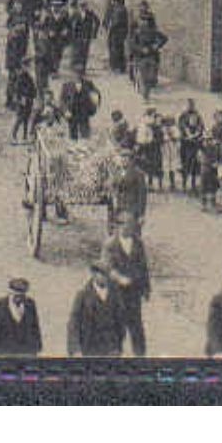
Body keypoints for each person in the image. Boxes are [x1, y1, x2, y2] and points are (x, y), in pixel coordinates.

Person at [100, 215, 151, 356]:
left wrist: (146, 289)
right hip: (116, 294)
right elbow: (107, 267)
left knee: (137, 328)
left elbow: (143, 267)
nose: (126, 228)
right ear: (117, 226)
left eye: (129, 225)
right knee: (117, 328)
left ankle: (141, 358)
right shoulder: (110, 245)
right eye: (122, 225)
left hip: (134, 293)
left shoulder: (138, 244)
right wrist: (119, 278)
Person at [66, 264, 126, 357]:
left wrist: (118, 346)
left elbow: (121, 321)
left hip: (111, 349)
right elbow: (74, 323)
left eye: (107, 274)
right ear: (93, 274)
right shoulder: (83, 295)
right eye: (101, 274)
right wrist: (75, 349)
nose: (105, 277)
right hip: (89, 348)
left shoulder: (115, 295)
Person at [0, 277, 43, 357]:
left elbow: (35, 328)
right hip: (3, 354)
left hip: (25, 353)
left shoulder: (30, 305)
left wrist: (36, 348)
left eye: (22, 296)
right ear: (10, 293)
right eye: (16, 296)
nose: (19, 299)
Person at [129, 3, 167, 102]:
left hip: (152, 57)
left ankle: (146, 93)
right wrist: (140, 49)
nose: (144, 23)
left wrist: (156, 45)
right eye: (143, 21)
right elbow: (132, 44)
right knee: (143, 77)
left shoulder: (153, 31)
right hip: (141, 58)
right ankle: (145, 96)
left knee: (150, 78)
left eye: (147, 21)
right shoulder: (137, 32)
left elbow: (164, 38)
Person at [109, 148, 148, 233]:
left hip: (132, 209)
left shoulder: (138, 174)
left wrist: (141, 214)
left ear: (131, 160)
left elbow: (142, 196)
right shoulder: (117, 173)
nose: (124, 161)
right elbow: (114, 189)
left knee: (132, 235)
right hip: (119, 208)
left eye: (126, 159)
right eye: (122, 158)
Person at [60, 70, 101, 142]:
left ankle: (86, 146)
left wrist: (95, 102)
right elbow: (62, 100)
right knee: (73, 134)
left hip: (84, 112)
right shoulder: (66, 86)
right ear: (71, 76)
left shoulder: (88, 84)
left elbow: (96, 93)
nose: (77, 77)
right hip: (72, 112)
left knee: (85, 134)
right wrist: (65, 110)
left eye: (80, 75)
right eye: (75, 75)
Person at [177, 99, 204, 193]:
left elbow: (201, 127)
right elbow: (181, 127)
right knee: (185, 164)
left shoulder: (198, 116)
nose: (190, 106)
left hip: (195, 144)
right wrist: (187, 135)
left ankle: (193, 185)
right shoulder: (182, 116)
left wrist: (196, 135)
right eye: (188, 105)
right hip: (185, 144)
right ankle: (184, 184)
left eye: (191, 105)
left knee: (195, 165)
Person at [102, 0, 129, 79]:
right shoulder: (119, 8)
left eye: (113, 0)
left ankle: (116, 68)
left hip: (117, 33)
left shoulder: (119, 9)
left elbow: (115, 22)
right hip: (119, 33)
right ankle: (119, 67)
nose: (112, 2)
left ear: (116, 1)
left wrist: (109, 28)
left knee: (115, 50)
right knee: (117, 49)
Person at [7, 67, 37, 144]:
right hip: (22, 101)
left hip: (28, 100)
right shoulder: (21, 77)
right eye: (28, 65)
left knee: (26, 119)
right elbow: (17, 89)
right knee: (19, 118)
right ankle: (13, 136)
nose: (28, 67)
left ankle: (25, 137)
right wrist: (20, 98)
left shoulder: (28, 76)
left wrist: (32, 96)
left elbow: (33, 88)